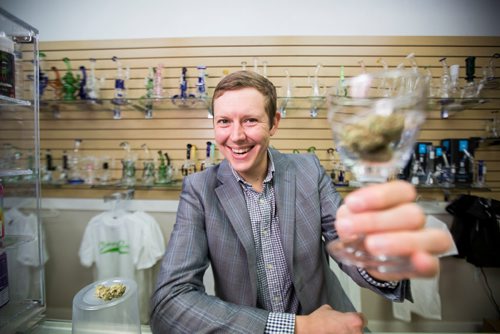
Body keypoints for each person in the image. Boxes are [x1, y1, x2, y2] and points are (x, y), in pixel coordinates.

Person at [150, 70, 451, 334]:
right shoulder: (199, 190)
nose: (236, 136)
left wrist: (379, 262)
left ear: (274, 123)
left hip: (333, 325)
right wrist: (298, 328)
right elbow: (169, 303)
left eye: (251, 120)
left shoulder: (309, 171)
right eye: (224, 121)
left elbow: (347, 244)